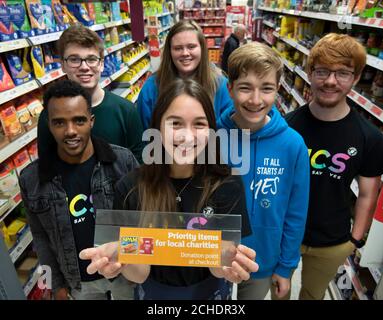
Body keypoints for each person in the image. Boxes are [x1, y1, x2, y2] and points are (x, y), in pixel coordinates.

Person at [80, 78, 259, 300]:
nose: (187, 136)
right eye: (175, 123)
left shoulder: (227, 184)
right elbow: (139, 274)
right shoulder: (131, 188)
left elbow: (218, 265)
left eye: (199, 124)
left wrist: (228, 265)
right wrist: (120, 258)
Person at [284, 33, 383, 300]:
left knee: (312, 295)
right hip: (284, 235)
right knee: (279, 292)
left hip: (332, 242)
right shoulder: (286, 126)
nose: (330, 81)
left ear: (355, 78)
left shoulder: (370, 138)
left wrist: (354, 240)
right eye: (322, 71)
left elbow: (367, 194)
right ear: (309, 72)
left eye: (342, 73)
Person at [19, 80, 139, 300]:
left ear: (91, 121)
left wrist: (134, 266)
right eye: (59, 123)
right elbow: (41, 238)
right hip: (79, 283)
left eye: (79, 120)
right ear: (48, 124)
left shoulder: (123, 162)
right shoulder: (32, 179)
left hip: (124, 273)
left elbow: (140, 220)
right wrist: (55, 286)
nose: (70, 131)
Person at [218, 42, 310, 300]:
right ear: (230, 89)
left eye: (266, 89)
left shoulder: (293, 145)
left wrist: (286, 266)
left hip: (262, 262)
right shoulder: (211, 137)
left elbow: (295, 212)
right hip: (213, 259)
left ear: (277, 89)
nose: (256, 100)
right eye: (245, 87)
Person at [37, 24, 144, 163]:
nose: (84, 67)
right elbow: (46, 166)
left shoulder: (126, 111)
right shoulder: (50, 115)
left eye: (92, 59)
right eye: (74, 59)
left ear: (101, 64)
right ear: (63, 65)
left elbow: (139, 165)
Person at [137, 20, 233, 130]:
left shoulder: (220, 85)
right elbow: (145, 133)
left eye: (191, 47)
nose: (185, 53)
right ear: (169, 52)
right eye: (178, 48)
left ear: (202, 48)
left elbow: (228, 133)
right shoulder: (152, 87)